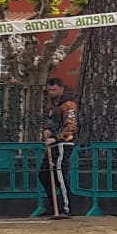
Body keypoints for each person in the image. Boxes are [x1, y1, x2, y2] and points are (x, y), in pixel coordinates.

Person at [39, 77, 79, 219]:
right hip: (52, 144)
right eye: (49, 90)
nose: (51, 92)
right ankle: (53, 204)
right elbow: (49, 121)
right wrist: (47, 130)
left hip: (63, 143)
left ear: (61, 89)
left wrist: (56, 138)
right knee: (44, 175)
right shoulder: (51, 106)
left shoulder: (68, 105)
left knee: (60, 174)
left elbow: (71, 126)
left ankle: (67, 207)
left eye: (54, 89)